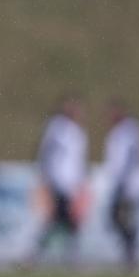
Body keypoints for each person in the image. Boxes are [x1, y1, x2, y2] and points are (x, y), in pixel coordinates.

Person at [29, 96, 88, 267]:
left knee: (59, 220)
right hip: (59, 182)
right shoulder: (57, 128)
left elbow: (77, 161)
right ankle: (71, 258)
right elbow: (46, 153)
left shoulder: (77, 132)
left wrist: (80, 181)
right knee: (64, 219)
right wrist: (47, 176)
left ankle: (34, 256)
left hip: (71, 185)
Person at [103, 100, 139, 272]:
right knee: (120, 220)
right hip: (125, 183)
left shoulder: (129, 130)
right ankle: (131, 254)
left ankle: (131, 254)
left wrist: (124, 182)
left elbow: (132, 157)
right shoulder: (121, 131)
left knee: (121, 218)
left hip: (129, 185)